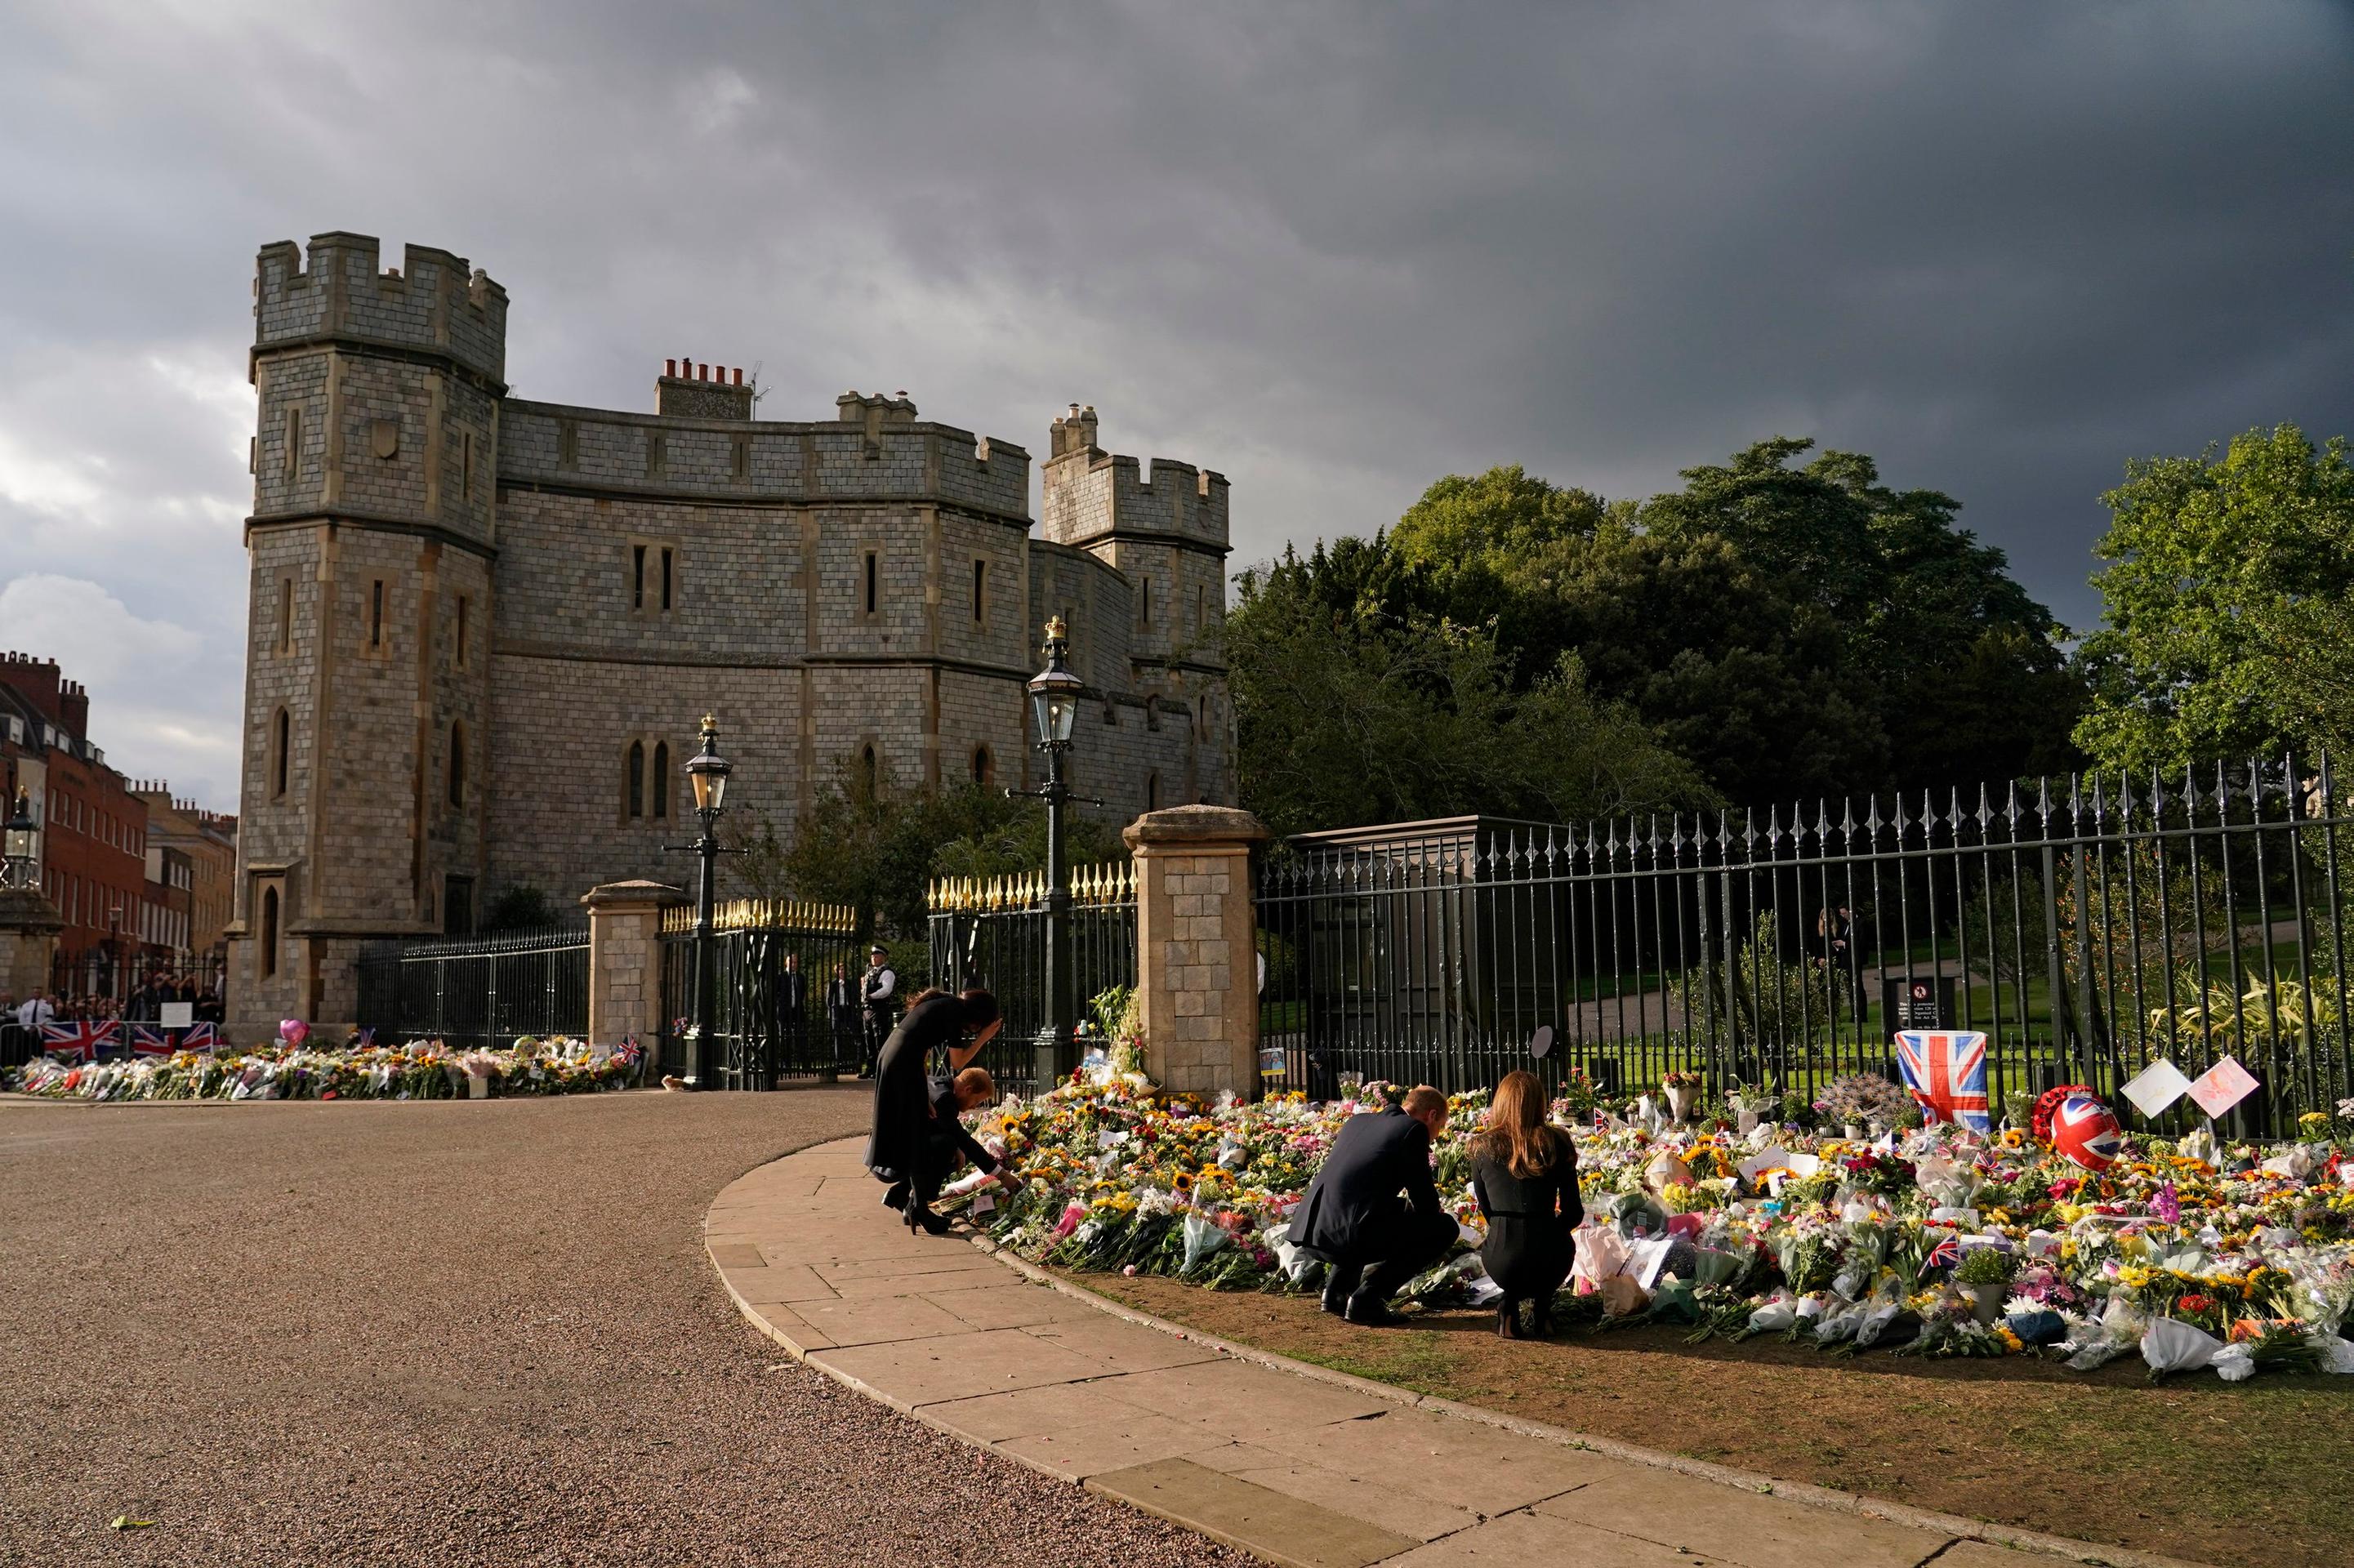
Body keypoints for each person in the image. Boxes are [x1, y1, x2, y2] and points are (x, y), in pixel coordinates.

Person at [1288, 1085, 1456, 1326]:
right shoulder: (1413, 1130)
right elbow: (1426, 1204)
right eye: (1439, 1127)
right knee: (1444, 1229)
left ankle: (1336, 1290)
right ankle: (1368, 1298)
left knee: (1367, 1210)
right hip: (1349, 1236)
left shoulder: (1359, 1121)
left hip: (1315, 1228)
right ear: (1431, 1115)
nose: (1436, 1135)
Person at [865, 986, 1004, 1235]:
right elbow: (958, 1062)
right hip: (901, 1062)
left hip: (897, 1058)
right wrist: (983, 1038)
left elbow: (923, 1054)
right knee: (918, 1140)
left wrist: (922, 1094)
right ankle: (920, 1209)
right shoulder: (953, 1012)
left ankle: (917, 1206)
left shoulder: (945, 1007)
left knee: (917, 1137)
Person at [1470, 1069, 1582, 1339]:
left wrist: (1501, 1229)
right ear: (1540, 1103)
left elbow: (1486, 1206)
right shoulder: (1557, 1142)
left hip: (1502, 1255)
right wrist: (1553, 1230)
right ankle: (1542, 1308)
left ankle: (1509, 1307)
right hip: (1550, 1256)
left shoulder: (1482, 1146)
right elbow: (1573, 1212)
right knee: (1556, 1247)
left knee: (1509, 1249)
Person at [858, 944, 897, 1077]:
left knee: (879, 1040)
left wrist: (871, 996)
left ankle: (881, 1069)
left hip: (879, 1010)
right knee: (869, 1040)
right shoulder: (870, 973)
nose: (874, 958)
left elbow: (886, 990)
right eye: (872, 955)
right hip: (868, 1010)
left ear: (883, 957)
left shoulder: (887, 973)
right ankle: (871, 1068)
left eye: (877, 955)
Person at [824, 961, 861, 1076]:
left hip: (848, 1010)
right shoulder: (833, 984)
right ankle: (838, 1062)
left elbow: (856, 997)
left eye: (844, 969)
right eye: (840, 970)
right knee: (837, 1037)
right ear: (836, 971)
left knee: (854, 1034)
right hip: (837, 1011)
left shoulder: (850, 983)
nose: (842, 971)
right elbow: (828, 1000)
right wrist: (832, 1010)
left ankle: (857, 1060)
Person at [776, 951, 808, 1070]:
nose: (793, 964)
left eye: (795, 962)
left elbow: (802, 993)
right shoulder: (781, 976)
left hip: (797, 1010)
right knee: (785, 1038)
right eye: (791, 962)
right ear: (786, 963)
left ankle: (803, 1062)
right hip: (785, 1012)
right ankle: (786, 1063)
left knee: (800, 1036)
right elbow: (777, 994)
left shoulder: (800, 977)